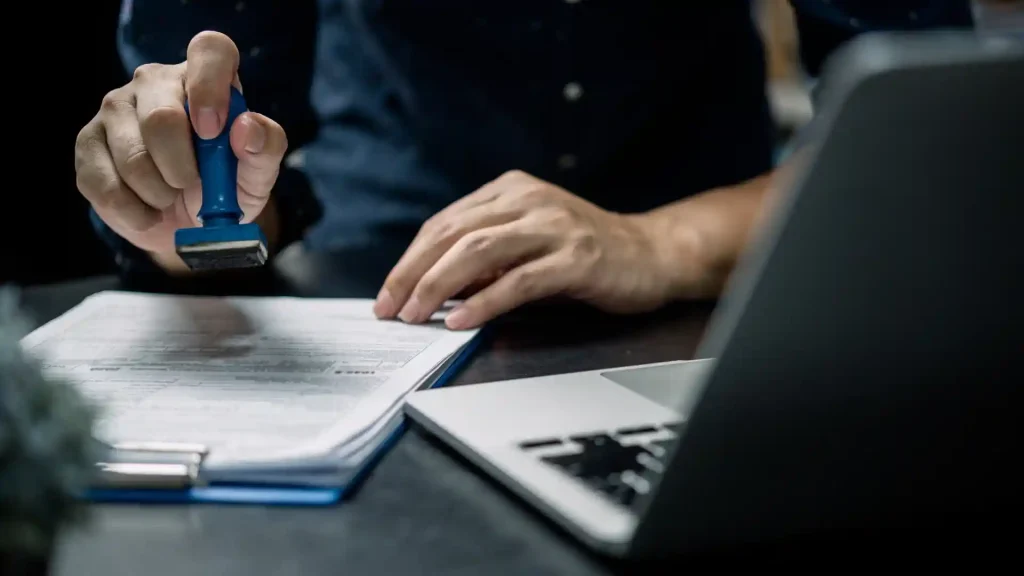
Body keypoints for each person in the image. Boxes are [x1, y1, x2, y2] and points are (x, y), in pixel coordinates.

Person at [74, 1, 975, 330]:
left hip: (715, 311)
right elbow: (227, 173)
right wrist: (180, 216)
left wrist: (661, 245)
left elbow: (933, 142)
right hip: (375, 320)